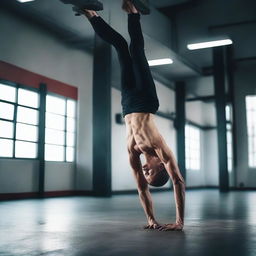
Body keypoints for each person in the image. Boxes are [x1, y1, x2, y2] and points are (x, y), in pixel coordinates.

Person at [79, 0, 185, 231]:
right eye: (152, 174)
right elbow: (178, 181)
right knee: (136, 50)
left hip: (127, 103)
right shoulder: (160, 148)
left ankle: (91, 14)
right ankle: (133, 12)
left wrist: (151, 218)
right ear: (161, 166)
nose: (146, 173)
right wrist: (179, 221)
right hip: (147, 100)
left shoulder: (134, 151)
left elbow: (141, 189)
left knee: (119, 45)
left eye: (147, 176)